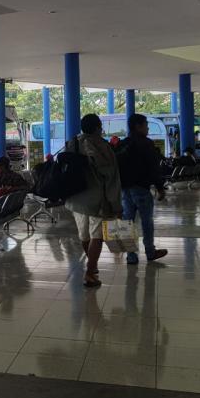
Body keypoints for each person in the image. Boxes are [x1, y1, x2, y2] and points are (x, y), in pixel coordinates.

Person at [64, 114, 122, 288]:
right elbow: (110, 176)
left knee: (84, 235)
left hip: (76, 197)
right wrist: (115, 203)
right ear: (97, 127)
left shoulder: (72, 143)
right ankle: (90, 273)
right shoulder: (102, 145)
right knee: (97, 236)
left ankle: (92, 265)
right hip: (97, 198)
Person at [117, 114, 168, 265]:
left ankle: (131, 256)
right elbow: (153, 168)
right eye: (146, 125)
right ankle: (150, 252)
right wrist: (160, 188)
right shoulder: (146, 144)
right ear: (138, 126)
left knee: (127, 223)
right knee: (146, 221)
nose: (148, 128)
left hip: (125, 190)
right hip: (141, 188)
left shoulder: (122, 144)